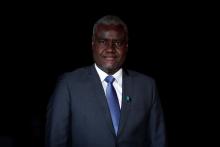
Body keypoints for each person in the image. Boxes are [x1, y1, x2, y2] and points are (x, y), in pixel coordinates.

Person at [46, 15, 166, 147]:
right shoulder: (68, 85)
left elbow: (158, 141)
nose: (110, 49)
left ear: (126, 46)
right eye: (103, 41)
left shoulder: (147, 86)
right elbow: (55, 141)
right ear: (93, 44)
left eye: (118, 43)